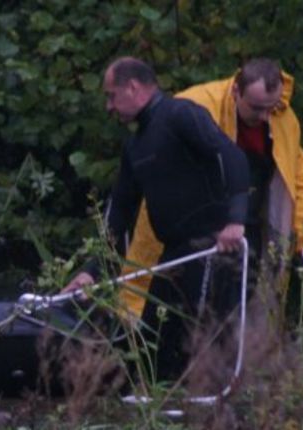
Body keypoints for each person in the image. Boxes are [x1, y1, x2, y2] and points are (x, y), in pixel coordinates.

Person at [63, 57, 250, 379]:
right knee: (152, 344)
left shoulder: (181, 114)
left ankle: (215, 408)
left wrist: (235, 220)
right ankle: (162, 408)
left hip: (212, 248)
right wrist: (91, 272)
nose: (109, 107)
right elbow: (119, 210)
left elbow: (231, 156)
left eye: (111, 95)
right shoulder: (136, 146)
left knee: (200, 339)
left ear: (133, 87)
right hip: (175, 253)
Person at [118, 58, 303, 318]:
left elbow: (298, 183)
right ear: (236, 92)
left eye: (270, 109)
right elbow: (162, 190)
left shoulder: (283, 118)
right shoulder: (195, 106)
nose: (264, 117)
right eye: (256, 108)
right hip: (194, 234)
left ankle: (237, 355)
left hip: (250, 231)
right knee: (179, 317)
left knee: (240, 314)